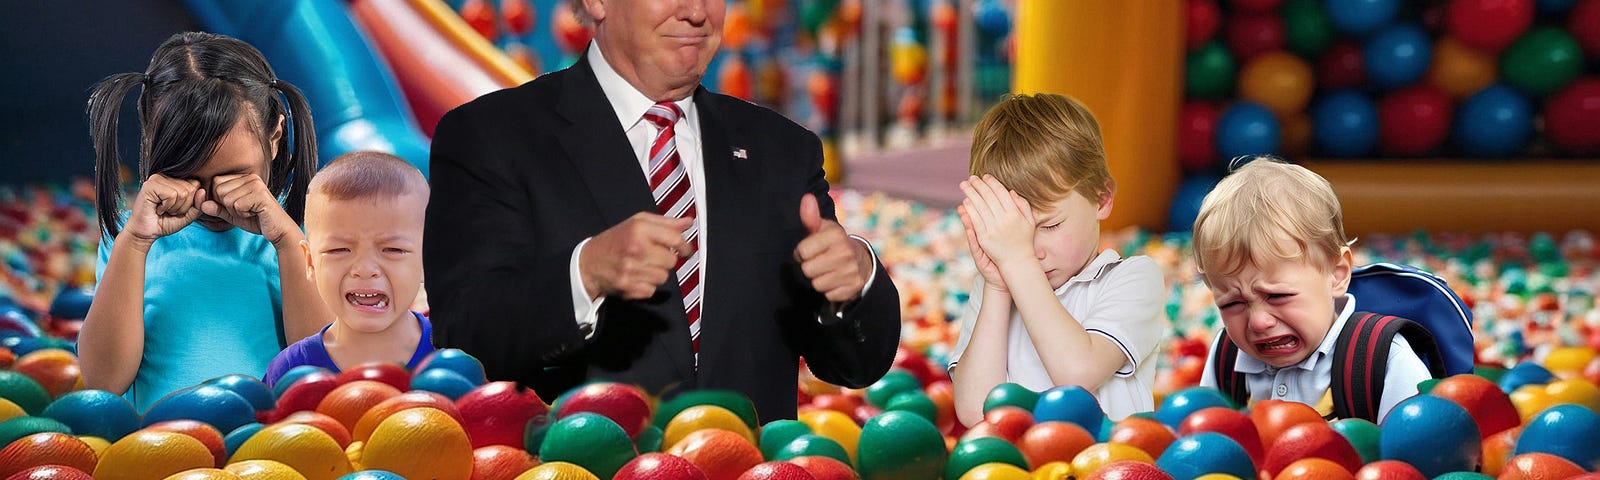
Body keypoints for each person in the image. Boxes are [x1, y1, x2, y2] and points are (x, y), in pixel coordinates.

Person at [422, 0, 900, 421]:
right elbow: (466, 334)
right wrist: (584, 275)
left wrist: (854, 285)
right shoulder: (491, 137)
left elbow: (855, 364)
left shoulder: (783, 151)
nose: (696, 12)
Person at [80, 31, 326, 411]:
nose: (212, 201)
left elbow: (321, 372)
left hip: (276, 456)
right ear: (149, 137)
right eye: (187, 175)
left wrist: (288, 242)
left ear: (275, 136)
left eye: (235, 175)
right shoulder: (129, 238)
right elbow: (103, 381)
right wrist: (135, 242)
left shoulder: (305, 232)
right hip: (168, 458)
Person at [948, 94, 1166, 424]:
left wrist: (1017, 260)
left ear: (1101, 198)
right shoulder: (998, 286)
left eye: (1049, 225)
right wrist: (996, 285)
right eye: (1014, 233)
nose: (1032, 250)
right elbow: (975, 412)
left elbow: (1078, 373)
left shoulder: (1134, 277)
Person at [1196, 158, 1432, 422]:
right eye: (1232, 304)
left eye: (1277, 296)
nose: (1259, 322)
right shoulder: (1228, 357)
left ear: (1337, 275)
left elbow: (1417, 455)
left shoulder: (1384, 362)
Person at [262, 152, 433, 387]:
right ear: (310, 262)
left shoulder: (457, 354)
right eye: (339, 250)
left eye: (392, 249)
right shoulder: (291, 370)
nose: (364, 269)